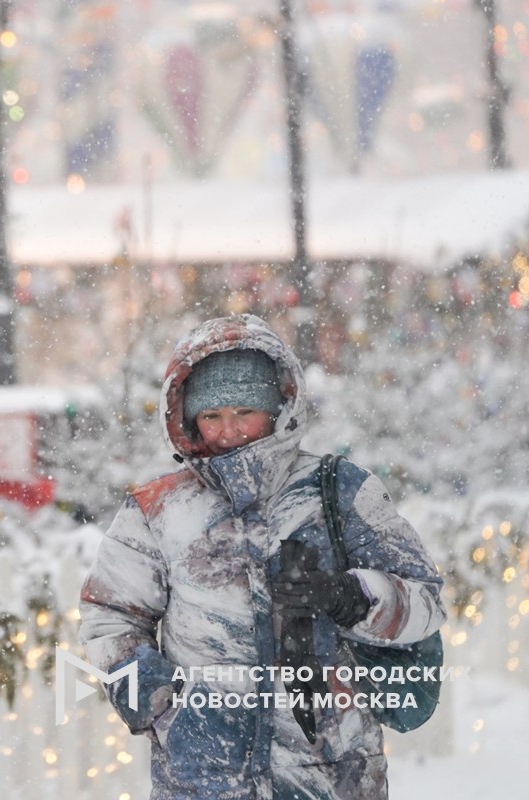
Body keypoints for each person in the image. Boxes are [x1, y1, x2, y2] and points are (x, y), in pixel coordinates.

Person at [78, 314, 446, 800]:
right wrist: (165, 708)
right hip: (204, 776)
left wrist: (350, 597)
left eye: (244, 411)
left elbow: (426, 603)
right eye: (212, 416)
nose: (228, 431)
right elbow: (110, 619)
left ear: (279, 408)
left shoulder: (341, 492)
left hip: (333, 774)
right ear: (187, 419)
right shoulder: (157, 511)